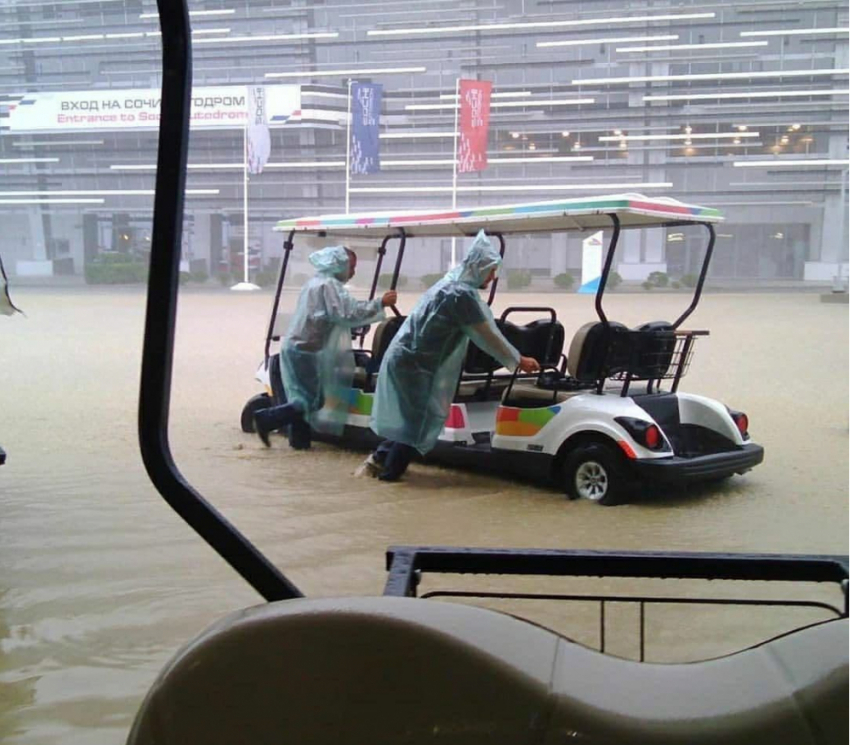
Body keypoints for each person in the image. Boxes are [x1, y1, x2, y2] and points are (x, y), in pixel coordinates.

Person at [360, 230, 540, 482]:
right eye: (490, 271)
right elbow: (488, 336)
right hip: (413, 365)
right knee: (415, 424)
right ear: (478, 268)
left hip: (410, 361)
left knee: (412, 421)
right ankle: (389, 478)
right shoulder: (460, 295)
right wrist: (518, 359)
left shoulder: (452, 284)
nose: (493, 276)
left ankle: (378, 462)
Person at [254, 245, 396, 449]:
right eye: (351, 267)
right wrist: (379, 303)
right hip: (304, 350)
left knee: (299, 400)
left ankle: (299, 445)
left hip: (297, 347)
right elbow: (348, 314)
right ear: (338, 264)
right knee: (312, 401)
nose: (353, 272)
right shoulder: (329, 286)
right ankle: (266, 418)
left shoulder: (315, 283)